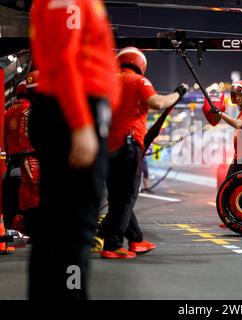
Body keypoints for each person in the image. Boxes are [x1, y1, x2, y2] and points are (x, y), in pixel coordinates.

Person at [29, 0, 120, 299]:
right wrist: (81, 123)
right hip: (74, 110)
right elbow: (64, 58)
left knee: (58, 226)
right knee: (75, 227)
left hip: (71, 108)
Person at [98, 47, 188, 259]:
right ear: (140, 64)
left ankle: (137, 240)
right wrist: (177, 94)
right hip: (129, 146)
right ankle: (112, 246)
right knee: (127, 198)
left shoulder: (108, 84)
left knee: (118, 198)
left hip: (109, 149)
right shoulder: (138, 81)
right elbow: (157, 103)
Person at [4, 73, 41, 240]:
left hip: (13, 160)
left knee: (20, 195)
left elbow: (5, 137)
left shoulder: (8, 112)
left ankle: (17, 227)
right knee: (35, 193)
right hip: (31, 156)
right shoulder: (29, 109)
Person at [213, 80, 242, 179]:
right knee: (229, 186)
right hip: (239, 156)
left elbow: (237, 124)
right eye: (235, 95)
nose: (237, 98)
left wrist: (220, 113)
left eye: (240, 95)